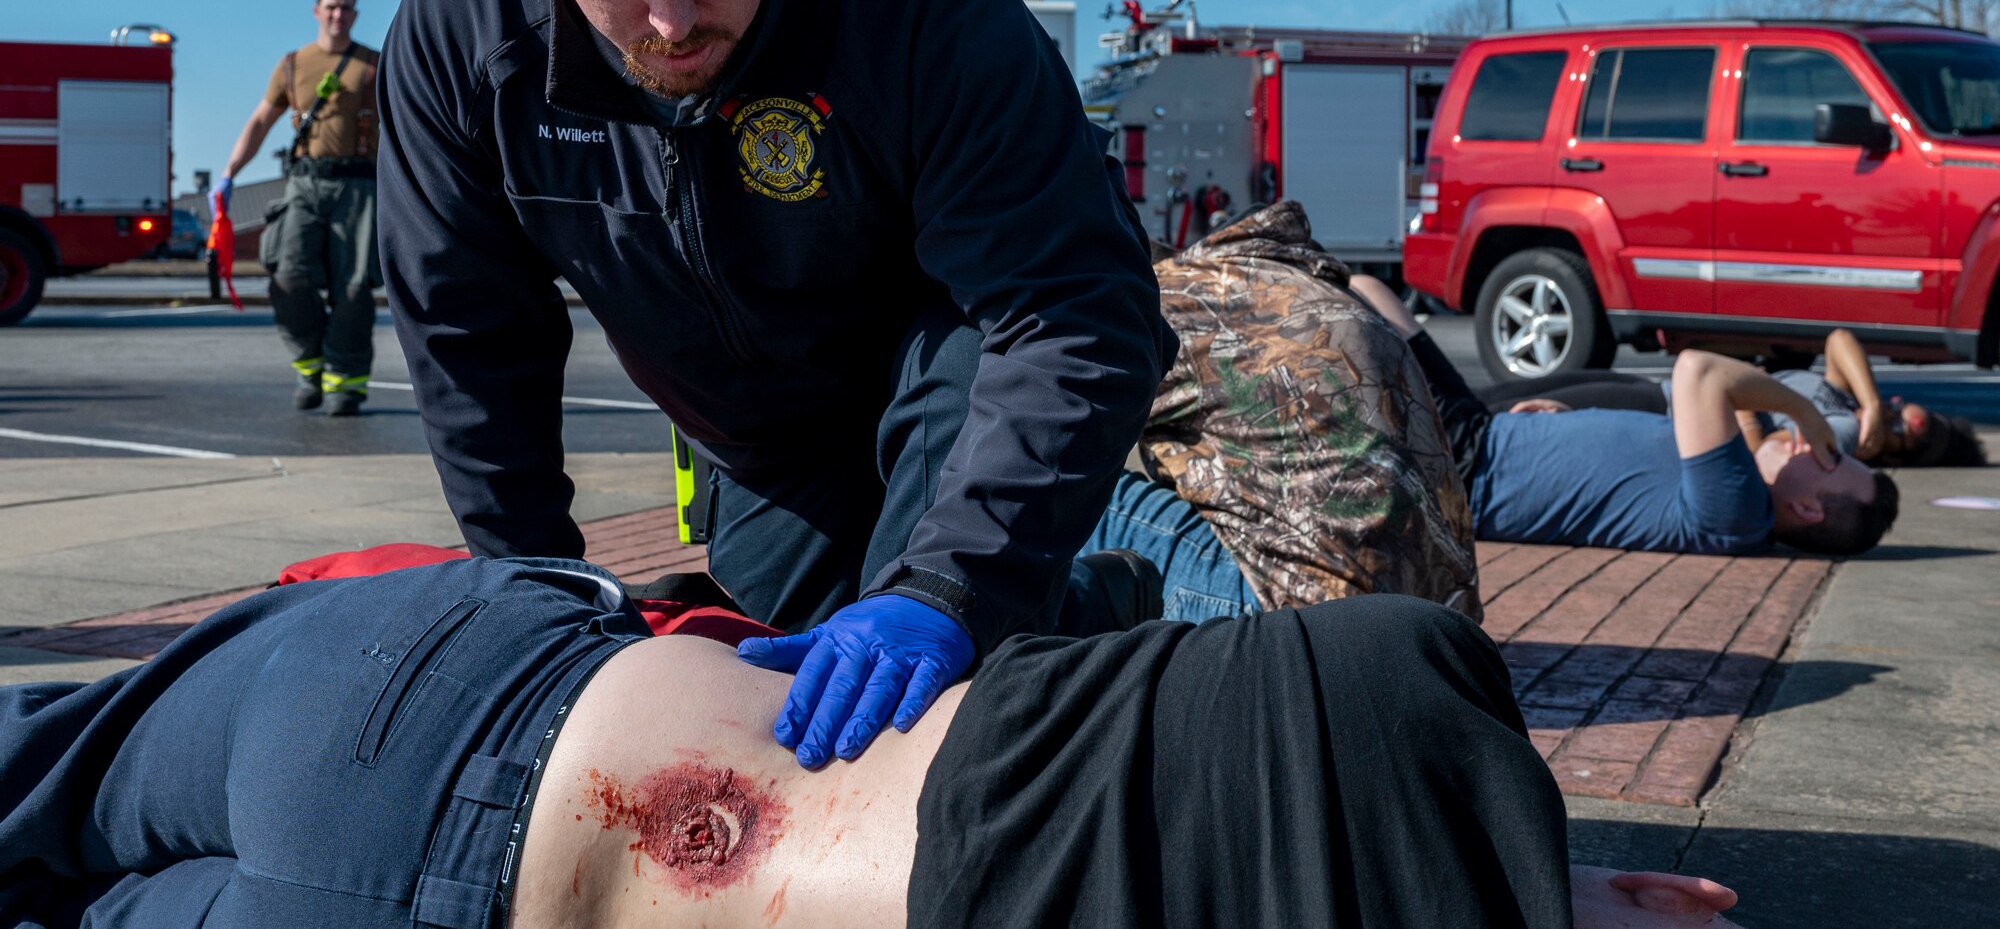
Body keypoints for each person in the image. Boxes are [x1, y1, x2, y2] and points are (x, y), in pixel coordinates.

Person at [376, 0, 1173, 768]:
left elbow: (1077, 307)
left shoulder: (922, 0)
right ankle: (1080, 603)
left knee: (924, 726)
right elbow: (468, 339)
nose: (666, 19)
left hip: (939, 382)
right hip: (753, 443)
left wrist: (956, 582)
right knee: (772, 707)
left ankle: (1034, 616)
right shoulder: (462, 33)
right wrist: (541, 605)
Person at [0, 554, 1743, 928]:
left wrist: (1537, 873)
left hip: (455, 670)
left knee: (42, 763)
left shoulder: (1397, 673)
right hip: (474, 900)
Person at [1083, 201, 1480, 624]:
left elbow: (1061, 419)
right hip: (1434, 624)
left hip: (1293, 624)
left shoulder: (1173, 302)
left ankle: (1035, 662)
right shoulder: (1312, 289)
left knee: (1072, 483)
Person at [1347, 276, 1899, 558]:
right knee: (1368, 291)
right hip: (1482, 436)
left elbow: (1699, 373)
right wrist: (1565, 419)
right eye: (1825, 443)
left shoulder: (1736, 511)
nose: (1812, 443)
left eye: (1828, 459)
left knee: (1354, 308)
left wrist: (1807, 411)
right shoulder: (1739, 486)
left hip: (1464, 470)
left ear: (1806, 508)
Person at [217, 0, 380, 416]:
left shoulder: (373, 65)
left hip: (360, 185)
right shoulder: (293, 64)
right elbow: (260, 120)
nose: (337, 15)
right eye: (330, 7)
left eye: (346, 8)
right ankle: (310, 364)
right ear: (316, 11)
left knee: (353, 289)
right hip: (303, 183)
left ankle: (344, 380)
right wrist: (230, 172)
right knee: (287, 276)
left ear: (355, 14)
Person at [1484, 328, 1984, 468]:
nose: (1888, 421)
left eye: (1897, 434)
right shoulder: (1842, 400)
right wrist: (1873, 401)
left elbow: (1762, 453)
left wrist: (1741, 401)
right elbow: (1839, 339)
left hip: (1666, 413)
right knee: (1516, 390)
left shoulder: (1841, 439)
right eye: (1899, 411)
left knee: (1505, 412)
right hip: (1660, 387)